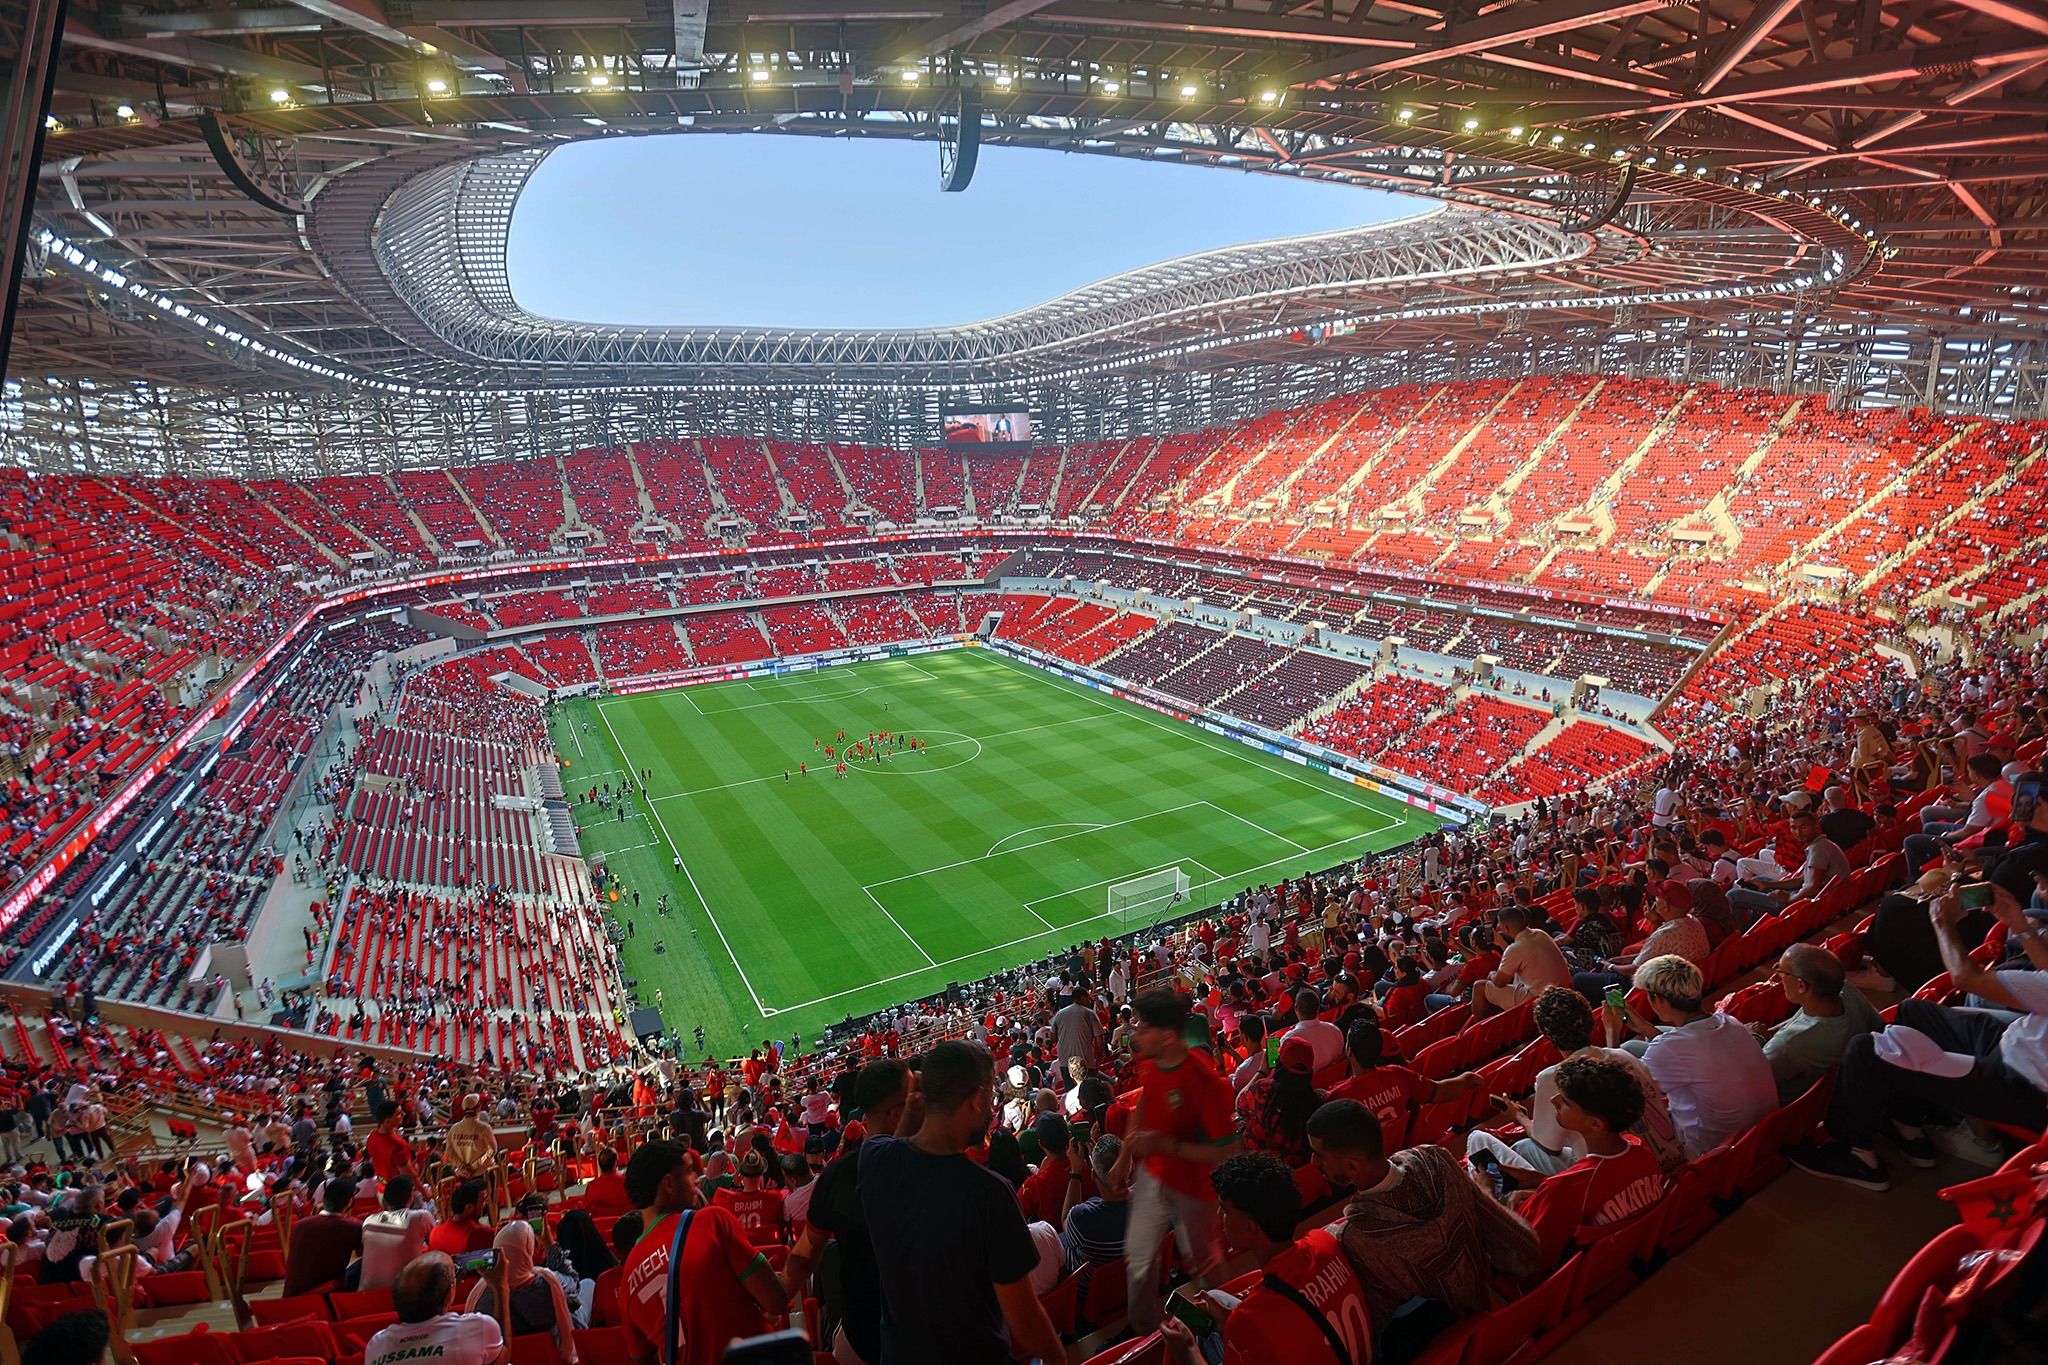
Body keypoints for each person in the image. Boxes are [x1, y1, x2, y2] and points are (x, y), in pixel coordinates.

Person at [1792, 879, 2048, 1191]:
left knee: (1865, 1050)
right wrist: (2019, 924)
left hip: (2021, 1084)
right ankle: (1908, 1123)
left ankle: (1857, 1156)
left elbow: (1966, 977)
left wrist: (1941, 921)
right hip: (2027, 1043)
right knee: (1915, 1011)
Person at [855, 1041, 1063, 1365]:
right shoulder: (991, 1193)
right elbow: (1025, 1320)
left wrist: (912, 1109)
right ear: (978, 1100)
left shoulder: (873, 1159)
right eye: (991, 1096)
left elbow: (894, 1150)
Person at [1307, 1099, 1540, 1360]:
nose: (1314, 1162)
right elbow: (1518, 1242)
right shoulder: (1436, 1159)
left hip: (1449, 1348)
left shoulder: (1356, 1238)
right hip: (1493, 1312)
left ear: (1352, 1166)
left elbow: (1384, 1330)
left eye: (1319, 1154)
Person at [1159, 1151, 1375, 1365]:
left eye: (1224, 1210)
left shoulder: (1251, 1318)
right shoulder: (1325, 1242)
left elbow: (1263, 1319)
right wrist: (1229, 1320)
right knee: (1217, 1296)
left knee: (1192, 1339)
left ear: (1249, 1227)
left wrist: (1189, 1354)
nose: (1219, 1217)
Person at [1112, 989, 1236, 1332]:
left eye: (1143, 1028)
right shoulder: (1151, 1061)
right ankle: (1143, 1332)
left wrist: (1168, 1145)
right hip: (1152, 1177)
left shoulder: (1203, 1080)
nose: (1135, 1035)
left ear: (1167, 1036)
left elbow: (1227, 1151)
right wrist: (1124, 1155)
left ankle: (1232, 1326)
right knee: (1138, 1257)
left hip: (1194, 1189)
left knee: (1205, 1265)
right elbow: (1143, 1107)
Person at [1467, 987, 1683, 1178]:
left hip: (1617, 1172)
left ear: (1548, 1037)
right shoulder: (1624, 1056)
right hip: (1668, 1156)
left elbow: (1548, 1146)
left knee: (1524, 1146)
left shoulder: (1553, 1077)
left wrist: (1519, 1116)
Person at [784, 1059, 909, 1365]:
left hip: (861, 1334)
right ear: (897, 1113)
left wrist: (772, 1301)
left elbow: (802, 1255)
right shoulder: (934, 1164)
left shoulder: (837, 1174)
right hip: (925, 1332)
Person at [618, 1140, 786, 1365]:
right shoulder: (712, 1221)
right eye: (689, 1171)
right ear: (668, 1183)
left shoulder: (628, 1276)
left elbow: (642, 1359)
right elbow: (776, 1300)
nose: (696, 1178)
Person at [1492, 1057, 1666, 1267]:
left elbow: (1529, 1258)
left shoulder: (1562, 1188)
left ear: (1595, 1124)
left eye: (1565, 1102)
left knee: (1477, 1142)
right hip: (1619, 1261)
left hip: (1541, 1274)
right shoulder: (1640, 1149)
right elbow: (1593, 1189)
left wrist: (1485, 1194)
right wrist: (1542, 1184)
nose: (1554, 1101)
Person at [1604, 956, 1777, 1157]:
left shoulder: (1668, 1049)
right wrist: (1646, 1028)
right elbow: (1683, 1052)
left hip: (1709, 1151)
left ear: (1657, 999)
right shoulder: (1731, 1023)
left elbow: (1615, 1090)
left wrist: (1612, 1031)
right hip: (1758, 1136)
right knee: (1633, 1046)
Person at [1754, 944, 1882, 1101]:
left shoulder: (1788, 1045)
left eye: (1782, 972)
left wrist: (1755, 1038)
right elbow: (1878, 1025)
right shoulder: (1846, 991)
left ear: (1801, 986)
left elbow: (1749, 1080)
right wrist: (1770, 1032)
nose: (1779, 976)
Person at [465, 1220, 580, 1363]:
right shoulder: (548, 1283)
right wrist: (549, 1245)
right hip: (548, 1359)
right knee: (585, 1289)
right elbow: (574, 1284)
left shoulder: (480, 1294)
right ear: (529, 1250)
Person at [1728, 808, 1849, 918]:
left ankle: (1743, 936)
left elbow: (1813, 888)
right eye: (1794, 828)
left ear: (1815, 826)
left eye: (1803, 827)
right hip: (1806, 897)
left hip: (1803, 905)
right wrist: (1767, 885)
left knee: (1733, 894)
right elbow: (1800, 880)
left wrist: (1789, 899)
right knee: (1760, 879)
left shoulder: (1819, 848)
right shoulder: (1820, 844)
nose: (1798, 833)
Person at [1236, 1036, 1325, 1168]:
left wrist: (1262, 1071)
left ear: (1279, 1063)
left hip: (1258, 1167)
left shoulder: (1262, 1090)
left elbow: (1239, 1105)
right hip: (1298, 1170)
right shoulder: (1319, 1103)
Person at [1472, 907, 1571, 1018]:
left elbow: (1499, 982)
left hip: (1540, 999)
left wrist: (1492, 974)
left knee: (1479, 986)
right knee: (1515, 975)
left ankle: (1478, 1026)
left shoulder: (1515, 949)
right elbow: (1518, 954)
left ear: (1506, 928)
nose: (1498, 927)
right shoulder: (1540, 933)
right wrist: (1500, 942)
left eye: (1499, 924)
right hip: (1562, 990)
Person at [1060, 1134, 1130, 1275]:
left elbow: (1065, 1220)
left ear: (1093, 1175)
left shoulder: (1082, 1218)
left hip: (1090, 1293)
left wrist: (1076, 1171)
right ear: (1131, 1166)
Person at [282, 1175, 363, 1296]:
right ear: (350, 1202)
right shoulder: (352, 1226)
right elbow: (363, 1252)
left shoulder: (300, 1225)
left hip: (291, 1295)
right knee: (361, 1265)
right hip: (322, 1294)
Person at [360, 1173, 436, 1291]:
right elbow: (437, 1242)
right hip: (404, 1295)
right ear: (411, 1196)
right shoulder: (420, 1216)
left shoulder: (368, 1221)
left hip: (365, 1296)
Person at [429, 1179, 496, 1257]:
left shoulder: (435, 1232)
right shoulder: (477, 1232)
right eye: (483, 1201)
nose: (486, 1203)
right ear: (469, 1207)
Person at [1052, 986, 1106, 1075]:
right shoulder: (1090, 1013)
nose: (1090, 1001)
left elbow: (1053, 1037)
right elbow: (1099, 1039)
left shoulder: (1059, 1014)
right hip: (1086, 1061)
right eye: (1088, 998)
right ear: (1083, 998)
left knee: (1071, 1088)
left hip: (1066, 1063)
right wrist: (1099, 1056)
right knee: (1088, 1088)